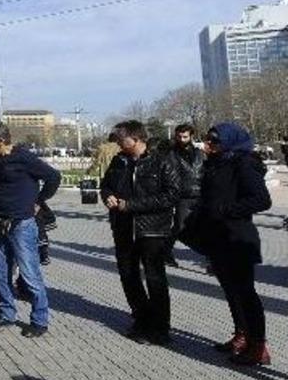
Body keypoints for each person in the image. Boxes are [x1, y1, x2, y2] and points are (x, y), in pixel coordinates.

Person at [195, 122, 272, 365]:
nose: (209, 145)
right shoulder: (217, 163)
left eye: (215, 141)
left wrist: (228, 210)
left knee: (245, 293)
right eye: (209, 140)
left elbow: (261, 199)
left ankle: (258, 345)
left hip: (238, 237)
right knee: (231, 291)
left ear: (229, 141)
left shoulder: (244, 162)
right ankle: (241, 335)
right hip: (218, 237)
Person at [99, 120, 180, 345]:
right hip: (123, 228)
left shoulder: (161, 162)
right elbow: (105, 185)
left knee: (155, 278)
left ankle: (161, 327)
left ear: (136, 139)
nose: (117, 143)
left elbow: (171, 195)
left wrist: (131, 205)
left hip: (152, 229)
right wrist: (108, 196)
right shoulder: (119, 161)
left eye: (120, 139)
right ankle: (142, 319)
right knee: (128, 275)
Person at [0, 119, 59, 338]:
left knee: (30, 273)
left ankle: (39, 319)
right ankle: (7, 314)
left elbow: (53, 177)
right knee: (0, 272)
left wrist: (39, 201)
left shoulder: (23, 158)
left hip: (20, 224)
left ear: (0, 139)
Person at [164, 124, 203, 267]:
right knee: (180, 227)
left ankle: (213, 260)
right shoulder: (171, 153)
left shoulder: (200, 153)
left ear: (191, 136)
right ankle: (166, 252)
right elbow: (169, 175)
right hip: (182, 196)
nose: (182, 139)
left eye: (185, 136)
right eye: (179, 136)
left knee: (207, 227)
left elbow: (205, 171)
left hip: (200, 195)